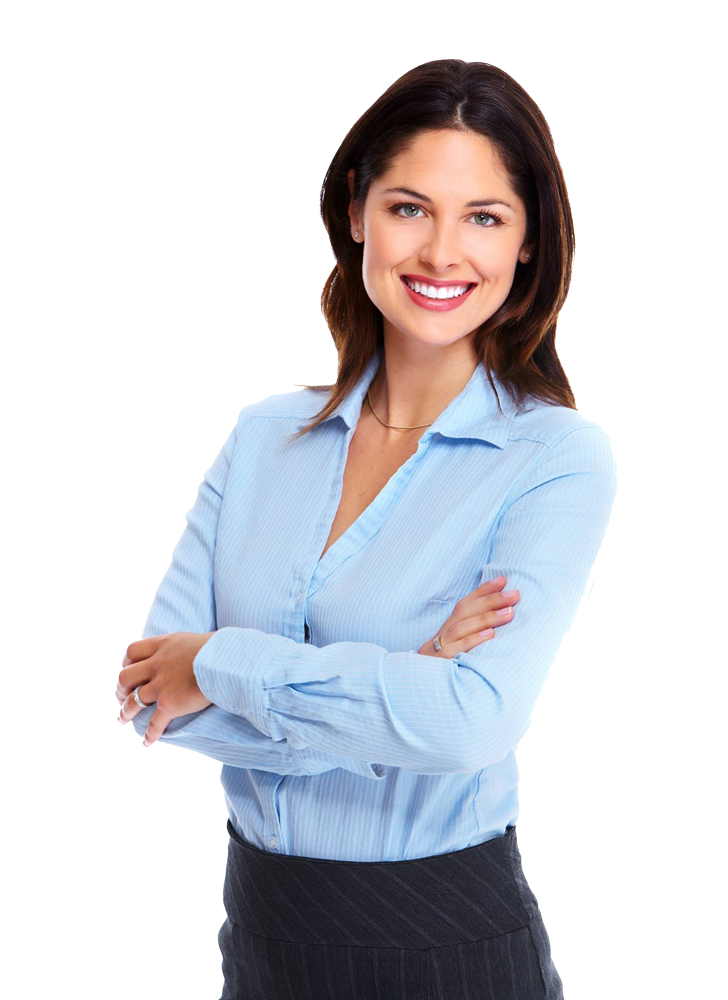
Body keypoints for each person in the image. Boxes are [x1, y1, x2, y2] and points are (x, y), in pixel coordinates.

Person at [117, 58, 619, 998]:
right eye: (409, 207)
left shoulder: (553, 459)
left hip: (446, 945)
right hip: (263, 936)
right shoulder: (265, 436)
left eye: (484, 217)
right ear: (356, 212)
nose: (440, 253)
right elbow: (155, 698)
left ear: (527, 245)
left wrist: (223, 660)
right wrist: (407, 684)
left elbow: (472, 725)